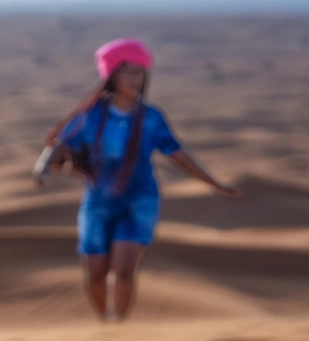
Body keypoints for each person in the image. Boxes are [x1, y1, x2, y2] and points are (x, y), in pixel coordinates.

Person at [35, 39, 241, 321]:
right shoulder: (90, 116)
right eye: (127, 73)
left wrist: (213, 183)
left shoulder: (151, 118)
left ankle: (119, 327)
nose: (135, 79)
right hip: (98, 203)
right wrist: (43, 167)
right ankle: (106, 325)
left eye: (140, 73)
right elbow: (61, 143)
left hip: (140, 201)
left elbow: (178, 154)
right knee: (95, 274)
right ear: (112, 77)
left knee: (123, 270)